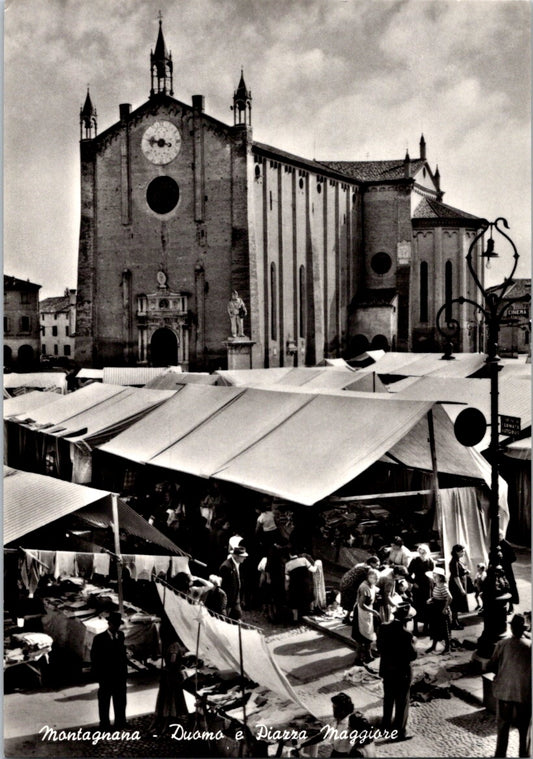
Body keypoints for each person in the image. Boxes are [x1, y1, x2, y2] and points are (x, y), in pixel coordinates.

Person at [489, 614, 531, 758]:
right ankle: (524, 755)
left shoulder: (502, 644)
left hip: (505, 692)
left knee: (503, 726)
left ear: (511, 628)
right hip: (523, 694)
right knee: (524, 728)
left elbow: (492, 665)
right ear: (524, 629)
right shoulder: (530, 645)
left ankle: (500, 755)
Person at [377, 604, 418, 742]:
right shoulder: (407, 635)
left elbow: (379, 648)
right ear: (407, 620)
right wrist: (414, 643)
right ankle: (399, 731)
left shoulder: (383, 627)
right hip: (402, 673)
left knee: (388, 699)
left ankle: (385, 726)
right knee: (402, 702)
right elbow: (412, 656)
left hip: (387, 670)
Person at [90, 611, 128, 729]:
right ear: (109, 624)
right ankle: (105, 724)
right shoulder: (99, 639)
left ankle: (120, 722)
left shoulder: (121, 635)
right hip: (106, 676)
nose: (116, 627)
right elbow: (95, 658)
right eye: (114, 625)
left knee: (120, 700)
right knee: (104, 701)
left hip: (120, 675)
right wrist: (99, 675)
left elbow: (121, 654)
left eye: (118, 625)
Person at [151, 637, 188, 735]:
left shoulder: (173, 646)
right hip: (171, 674)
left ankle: (168, 717)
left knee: (168, 698)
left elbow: (172, 660)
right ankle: (167, 717)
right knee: (168, 698)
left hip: (170, 674)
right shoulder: (174, 646)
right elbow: (172, 660)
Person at [339, 557, 380, 625]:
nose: (378, 566)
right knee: (355, 601)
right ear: (371, 563)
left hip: (345, 581)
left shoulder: (361, 564)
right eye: (377, 564)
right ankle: (351, 619)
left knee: (350, 601)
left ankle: (347, 617)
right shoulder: (369, 569)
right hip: (351, 585)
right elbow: (369, 580)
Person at [352, 567, 380, 664]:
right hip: (361, 612)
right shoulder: (364, 587)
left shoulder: (371, 586)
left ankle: (368, 655)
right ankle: (358, 658)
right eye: (372, 577)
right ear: (368, 577)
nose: (374, 580)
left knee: (368, 636)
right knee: (360, 638)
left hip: (367, 612)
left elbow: (375, 590)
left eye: (375, 578)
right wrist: (373, 611)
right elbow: (361, 604)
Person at [285, 547, 318, 622]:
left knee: (294, 602)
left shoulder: (287, 565)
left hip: (294, 587)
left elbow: (287, 579)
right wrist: (316, 564)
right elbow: (313, 570)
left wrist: (286, 588)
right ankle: (311, 611)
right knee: (309, 596)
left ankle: (295, 618)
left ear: (290, 555)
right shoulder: (304, 560)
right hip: (305, 585)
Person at [408, 544, 434, 636]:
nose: (422, 554)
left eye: (424, 552)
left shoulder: (430, 561)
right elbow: (408, 574)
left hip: (428, 586)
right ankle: (415, 628)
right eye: (420, 552)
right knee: (417, 606)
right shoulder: (415, 561)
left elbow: (433, 574)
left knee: (428, 606)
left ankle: (426, 627)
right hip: (418, 586)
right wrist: (413, 583)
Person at [425, 567, 452, 654]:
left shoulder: (443, 586)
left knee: (445, 629)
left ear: (440, 577)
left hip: (441, 609)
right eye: (433, 576)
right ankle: (433, 646)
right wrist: (432, 599)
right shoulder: (437, 585)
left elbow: (449, 598)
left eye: (436, 577)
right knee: (435, 628)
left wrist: (445, 608)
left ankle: (448, 647)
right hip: (435, 609)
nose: (434, 578)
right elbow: (438, 596)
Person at [219, 545, 247, 620]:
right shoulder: (226, 567)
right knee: (226, 619)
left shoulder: (237, 564)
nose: (244, 558)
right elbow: (223, 586)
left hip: (235, 597)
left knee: (237, 616)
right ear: (236, 556)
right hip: (229, 600)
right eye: (242, 556)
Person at [448, 543, 470, 629]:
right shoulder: (454, 562)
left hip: (459, 584)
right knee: (455, 605)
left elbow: (461, 571)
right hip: (455, 586)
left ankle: (456, 620)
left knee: (457, 604)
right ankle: (454, 623)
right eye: (462, 551)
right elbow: (455, 577)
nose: (463, 553)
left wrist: (466, 571)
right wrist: (461, 589)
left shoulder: (458, 560)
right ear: (457, 552)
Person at [498, 531, 520, 610]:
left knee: (509, 585)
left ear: (501, 536)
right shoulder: (497, 544)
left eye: (498, 536)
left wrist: (503, 559)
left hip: (507, 569)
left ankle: (511, 606)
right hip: (500, 568)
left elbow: (513, 558)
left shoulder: (507, 545)